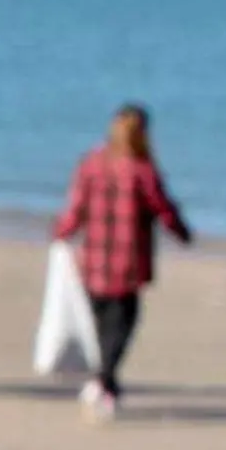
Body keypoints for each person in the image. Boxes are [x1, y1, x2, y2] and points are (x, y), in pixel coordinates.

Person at [53, 103, 194, 421]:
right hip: (126, 264)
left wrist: (61, 233)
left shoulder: (92, 163)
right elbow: (163, 208)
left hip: (93, 261)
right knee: (122, 326)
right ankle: (105, 382)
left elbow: (76, 208)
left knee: (102, 325)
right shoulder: (142, 170)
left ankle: (103, 382)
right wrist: (182, 233)